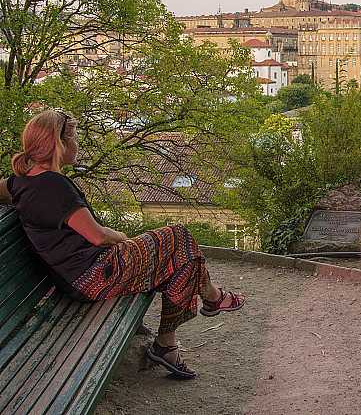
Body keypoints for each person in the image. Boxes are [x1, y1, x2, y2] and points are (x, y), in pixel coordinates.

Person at [0, 109, 244, 378]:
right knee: (178, 237)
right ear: (60, 144)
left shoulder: (20, 181)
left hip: (75, 276)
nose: (78, 144)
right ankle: (208, 301)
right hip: (94, 276)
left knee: (182, 261)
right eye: (75, 138)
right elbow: (98, 236)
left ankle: (172, 340)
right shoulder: (54, 186)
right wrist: (122, 237)